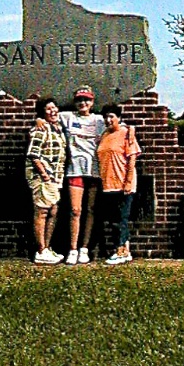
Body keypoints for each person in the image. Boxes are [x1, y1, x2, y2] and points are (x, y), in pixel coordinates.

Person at [58, 86, 105, 265]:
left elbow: (120, 127)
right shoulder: (67, 117)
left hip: (93, 171)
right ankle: (72, 248)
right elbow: (48, 115)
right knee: (75, 210)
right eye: (79, 100)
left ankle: (85, 248)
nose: (83, 103)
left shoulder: (99, 120)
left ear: (92, 102)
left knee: (91, 210)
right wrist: (39, 120)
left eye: (86, 100)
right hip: (75, 170)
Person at [97, 103, 141, 265]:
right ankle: (125, 251)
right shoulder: (104, 135)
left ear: (119, 118)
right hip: (108, 184)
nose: (108, 120)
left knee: (120, 220)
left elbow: (132, 159)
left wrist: (128, 182)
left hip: (122, 184)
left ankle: (120, 251)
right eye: (106, 117)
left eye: (111, 117)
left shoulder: (126, 134)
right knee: (115, 219)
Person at [26, 97, 67, 264]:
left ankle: (47, 248)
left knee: (53, 211)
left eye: (55, 108)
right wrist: (44, 175)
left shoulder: (57, 129)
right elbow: (34, 154)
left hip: (55, 178)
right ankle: (41, 250)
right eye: (49, 109)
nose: (53, 111)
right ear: (43, 112)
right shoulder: (41, 129)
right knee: (42, 212)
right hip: (43, 178)